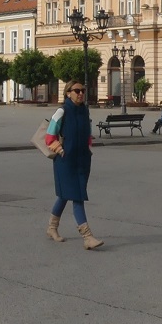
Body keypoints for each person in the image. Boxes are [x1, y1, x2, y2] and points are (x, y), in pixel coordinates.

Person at [44, 80, 103, 249]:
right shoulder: (62, 111)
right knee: (77, 196)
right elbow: (49, 136)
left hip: (83, 159)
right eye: (77, 91)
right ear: (68, 93)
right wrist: (60, 149)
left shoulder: (84, 111)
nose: (81, 93)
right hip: (65, 160)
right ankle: (87, 237)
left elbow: (88, 134)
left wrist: (89, 149)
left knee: (65, 195)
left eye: (83, 90)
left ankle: (52, 227)